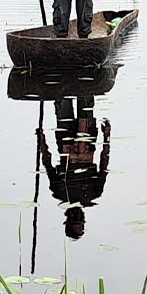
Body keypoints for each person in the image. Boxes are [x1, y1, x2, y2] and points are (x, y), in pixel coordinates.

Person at [36, 96, 111, 239]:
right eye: (79, 219)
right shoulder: (94, 193)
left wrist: (42, 142)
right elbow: (104, 165)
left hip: (65, 137)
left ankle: (60, 75)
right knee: (86, 96)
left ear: (67, 219)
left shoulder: (59, 193)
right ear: (83, 218)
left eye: (73, 219)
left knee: (62, 97)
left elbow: (48, 165)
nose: (76, 215)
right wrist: (107, 137)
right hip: (87, 136)